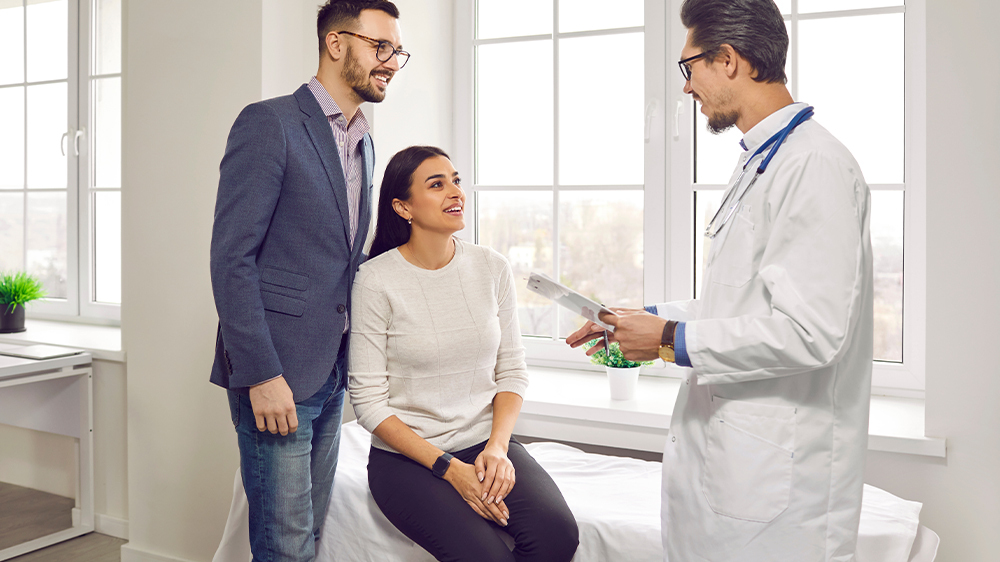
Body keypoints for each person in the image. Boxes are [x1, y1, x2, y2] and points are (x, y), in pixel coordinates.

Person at [567, 0, 874, 560]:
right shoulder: (761, 160)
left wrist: (667, 340)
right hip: (737, 471)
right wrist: (645, 319)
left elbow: (813, 332)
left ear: (728, 60)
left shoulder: (814, 165)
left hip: (780, 491)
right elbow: (740, 302)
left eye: (689, 67)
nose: (686, 88)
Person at [209, 1, 406, 559]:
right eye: (380, 47)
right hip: (276, 372)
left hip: (332, 368)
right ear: (337, 43)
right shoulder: (268, 123)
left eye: (398, 51)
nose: (391, 61)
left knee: (313, 538)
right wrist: (261, 373)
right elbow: (231, 258)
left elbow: (345, 258)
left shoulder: (363, 139)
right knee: (283, 546)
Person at [348, 146, 580, 562]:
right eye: (437, 185)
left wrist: (497, 448)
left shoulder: (491, 267)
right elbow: (368, 404)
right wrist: (450, 470)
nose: (455, 192)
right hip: (407, 461)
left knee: (557, 535)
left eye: (455, 180)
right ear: (403, 207)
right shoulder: (375, 280)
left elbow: (511, 371)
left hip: (483, 445)